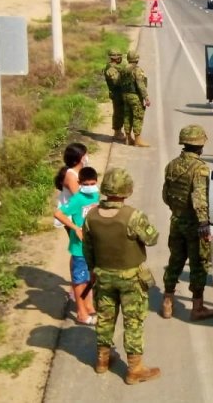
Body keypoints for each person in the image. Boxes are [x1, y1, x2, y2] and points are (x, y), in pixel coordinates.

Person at [82, 167, 161, 384]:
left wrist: (92, 270)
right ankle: (135, 369)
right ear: (127, 190)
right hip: (130, 279)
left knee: (105, 318)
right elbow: (152, 239)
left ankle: (102, 360)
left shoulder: (91, 216)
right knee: (133, 321)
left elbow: (87, 248)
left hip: (103, 276)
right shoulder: (133, 216)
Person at [160, 124, 213, 321]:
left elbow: (166, 195)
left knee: (175, 260)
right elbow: (199, 196)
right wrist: (204, 223)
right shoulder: (200, 168)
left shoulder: (172, 165)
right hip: (194, 224)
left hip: (176, 221)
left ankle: (167, 302)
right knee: (199, 264)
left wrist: (177, 211)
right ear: (200, 145)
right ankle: (197, 308)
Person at [54, 166, 101, 324]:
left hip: (94, 246)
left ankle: (88, 305)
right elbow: (58, 214)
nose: (89, 187)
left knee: (90, 278)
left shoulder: (96, 195)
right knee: (79, 281)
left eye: (92, 184)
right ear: (79, 183)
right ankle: (81, 313)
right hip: (80, 249)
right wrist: (75, 228)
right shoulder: (77, 199)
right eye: (86, 184)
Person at [54, 142, 88, 227]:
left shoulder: (79, 172)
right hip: (71, 217)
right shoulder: (72, 176)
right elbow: (80, 199)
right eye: (85, 155)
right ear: (78, 158)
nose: (87, 157)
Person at [121, 52, 150, 147]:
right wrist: (146, 97)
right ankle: (138, 140)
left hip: (125, 95)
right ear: (137, 59)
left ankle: (128, 138)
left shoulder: (123, 69)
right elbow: (140, 84)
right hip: (135, 96)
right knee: (138, 117)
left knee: (127, 116)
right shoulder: (137, 70)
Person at [103, 51, 126, 143]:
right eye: (119, 57)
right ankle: (117, 133)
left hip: (119, 93)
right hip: (117, 94)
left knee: (120, 112)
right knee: (118, 113)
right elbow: (116, 82)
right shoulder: (111, 69)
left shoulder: (115, 67)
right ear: (116, 58)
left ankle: (119, 131)